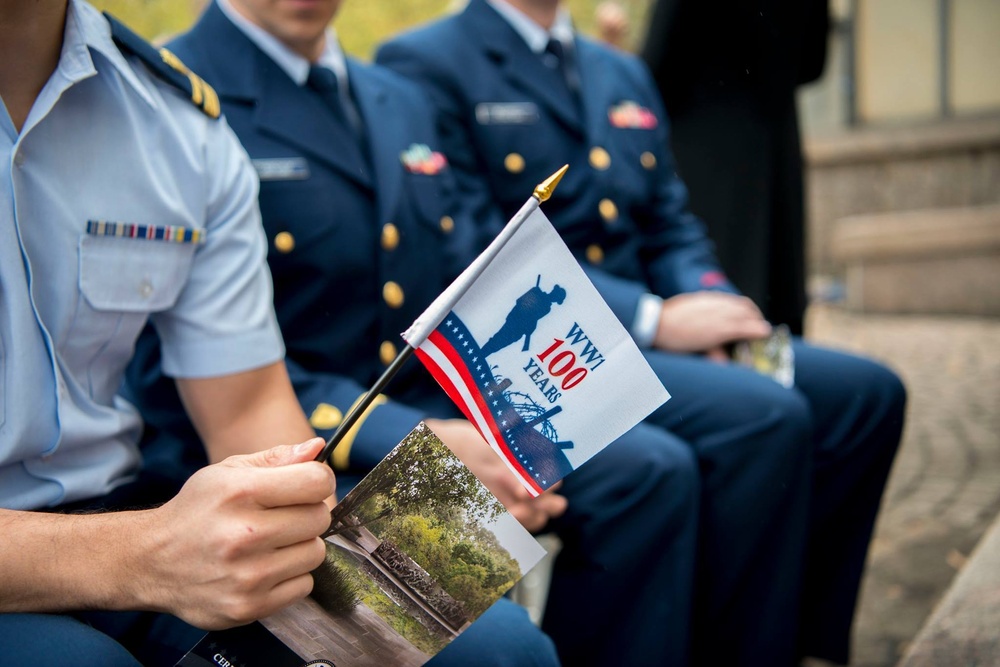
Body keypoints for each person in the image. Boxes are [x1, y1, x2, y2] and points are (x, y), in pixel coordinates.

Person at [121, 0, 706, 665]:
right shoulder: (172, 96)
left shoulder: (391, 95)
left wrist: (509, 415)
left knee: (650, 470)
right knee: (499, 649)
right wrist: (419, 443)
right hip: (294, 451)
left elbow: (452, 273)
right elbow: (187, 379)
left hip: (413, 408)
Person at [375, 1, 907, 665]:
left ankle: (790, 635)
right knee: (762, 418)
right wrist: (653, 317)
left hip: (657, 325)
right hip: (547, 343)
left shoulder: (617, 68)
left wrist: (712, 299)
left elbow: (670, 220)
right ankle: (738, 648)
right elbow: (473, 248)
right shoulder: (422, 62)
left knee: (868, 393)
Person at [0, 2, 337, 665]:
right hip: (120, 547)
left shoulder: (179, 124)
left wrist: (304, 529)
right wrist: (147, 552)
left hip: (121, 517)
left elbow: (247, 410)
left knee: (484, 645)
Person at [641, 0, 831, 336]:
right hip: (775, 153)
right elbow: (813, 64)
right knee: (773, 305)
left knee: (710, 308)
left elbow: (657, 67)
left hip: (702, 150)